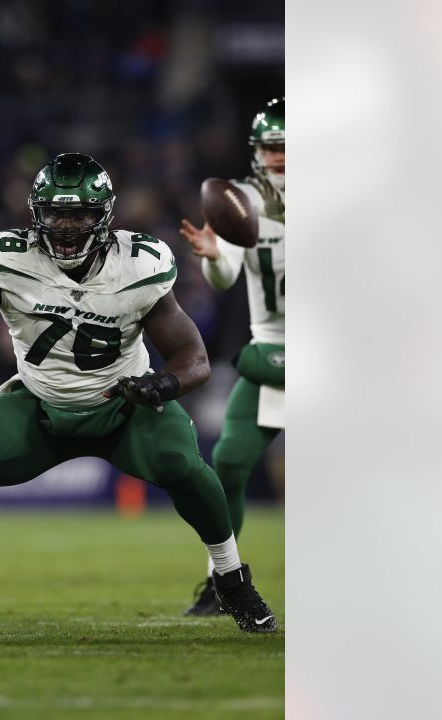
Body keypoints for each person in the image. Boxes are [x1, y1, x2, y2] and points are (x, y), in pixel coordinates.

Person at [0, 153, 279, 639]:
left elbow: (193, 355)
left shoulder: (139, 263)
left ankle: (230, 579)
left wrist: (161, 384)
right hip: (39, 403)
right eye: (56, 212)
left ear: (103, 215)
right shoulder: (11, 255)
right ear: (37, 212)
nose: (65, 225)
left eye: (79, 213)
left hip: (123, 405)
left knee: (185, 466)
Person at [177, 98, 286, 615]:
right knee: (229, 461)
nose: (280, 157)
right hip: (271, 348)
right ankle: (223, 583)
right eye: (272, 146)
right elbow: (226, 277)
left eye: (288, 147)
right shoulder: (246, 202)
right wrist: (216, 256)